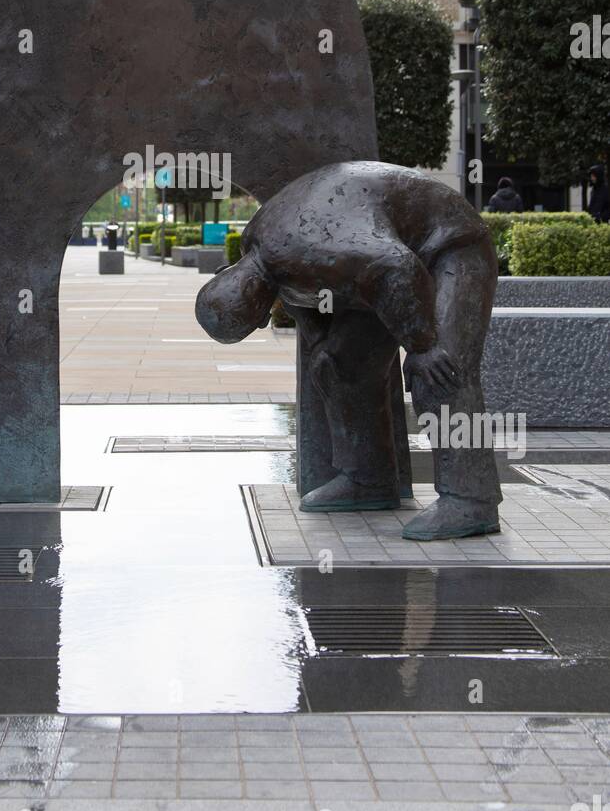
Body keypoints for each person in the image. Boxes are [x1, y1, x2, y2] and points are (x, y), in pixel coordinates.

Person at [195, 161, 502, 542]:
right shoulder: (258, 248)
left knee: (439, 372)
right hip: (386, 266)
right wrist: (321, 339)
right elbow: (305, 296)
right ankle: (369, 478)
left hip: (450, 248)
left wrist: (421, 347)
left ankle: (471, 499)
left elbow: (399, 269)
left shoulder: (297, 253)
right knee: (338, 366)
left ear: (259, 319)